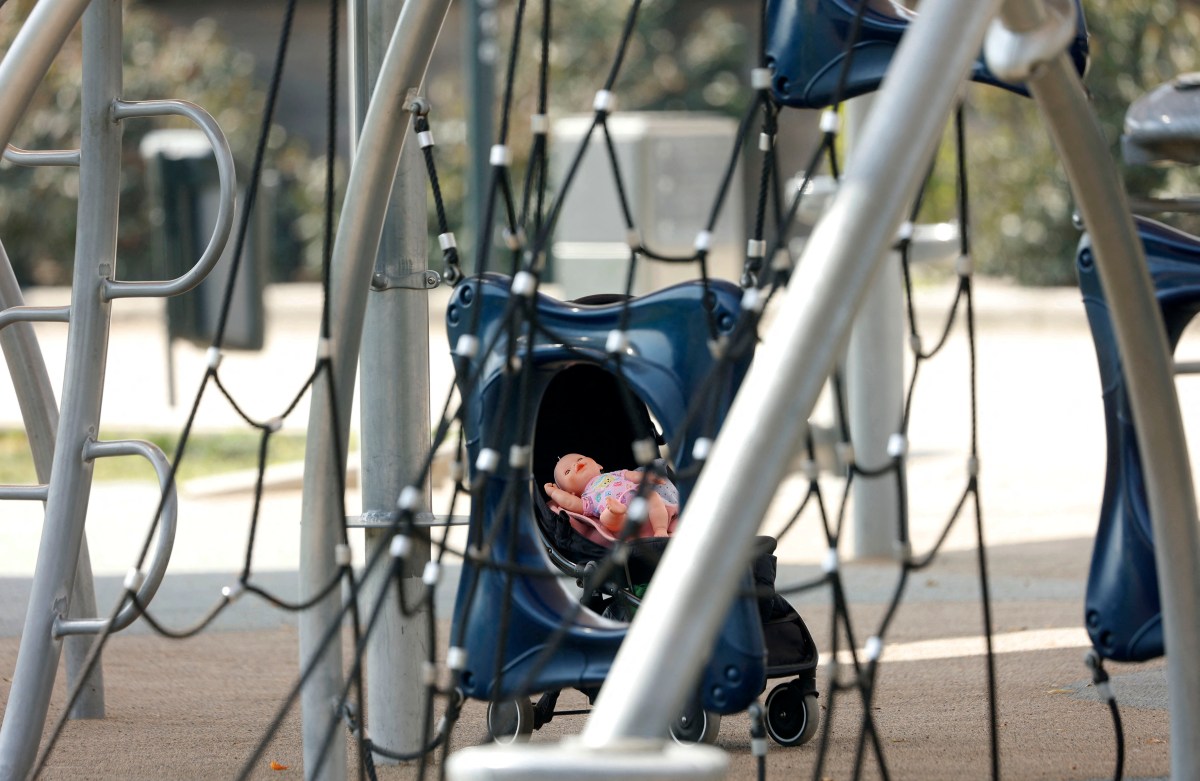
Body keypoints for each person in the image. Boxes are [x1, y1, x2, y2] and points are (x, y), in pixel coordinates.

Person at [543, 452, 676, 537]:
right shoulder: (586, 498)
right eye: (567, 471)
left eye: (580, 459)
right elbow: (570, 503)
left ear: (598, 465)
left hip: (638, 497)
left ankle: (660, 530)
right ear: (571, 493)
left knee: (653, 496)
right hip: (621, 515)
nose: (576, 465)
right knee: (606, 518)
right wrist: (554, 492)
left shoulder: (613, 474)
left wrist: (647, 477)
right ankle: (616, 512)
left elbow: (633, 475)